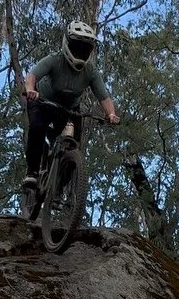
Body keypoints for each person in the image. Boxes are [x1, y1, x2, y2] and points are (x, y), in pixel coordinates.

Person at [23, 20, 120, 186]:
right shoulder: (54, 60)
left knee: (74, 147)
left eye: (84, 50)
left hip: (68, 110)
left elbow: (104, 97)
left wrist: (111, 114)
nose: (80, 52)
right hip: (42, 102)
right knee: (37, 129)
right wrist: (31, 90)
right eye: (76, 47)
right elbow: (32, 76)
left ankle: (59, 188)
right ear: (67, 44)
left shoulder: (90, 71)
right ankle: (32, 172)